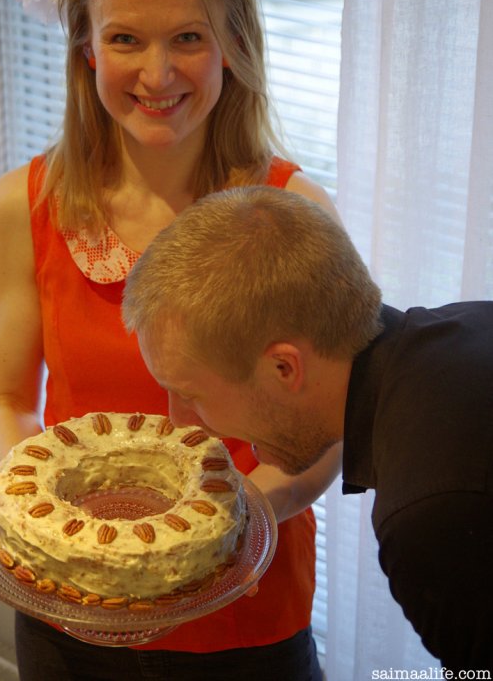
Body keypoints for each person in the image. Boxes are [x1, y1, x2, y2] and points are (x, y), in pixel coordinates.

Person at [0, 0, 343, 681]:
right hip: (74, 614)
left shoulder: (296, 215)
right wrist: (19, 507)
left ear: (232, 45)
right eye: (124, 39)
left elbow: (333, 429)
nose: (157, 72)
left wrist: (242, 518)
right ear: (86, 48)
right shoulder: (23, 205)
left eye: (187, 38)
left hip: (245, 623)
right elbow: (4, 401)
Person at [122, 185, 493, 673]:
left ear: (284, 368)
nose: (179, 420)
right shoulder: (471, 325)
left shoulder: (429, 517)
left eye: (191, 394)